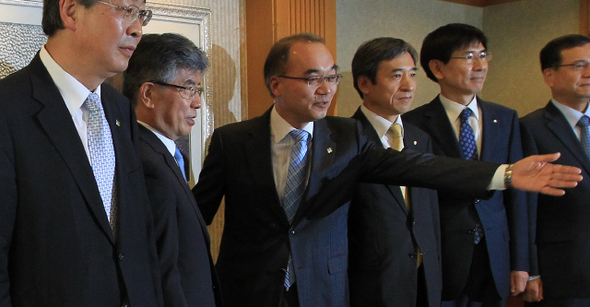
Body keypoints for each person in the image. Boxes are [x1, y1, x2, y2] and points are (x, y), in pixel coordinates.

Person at [192, 32, 581, 307]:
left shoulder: (346, 136)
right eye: (313, 79)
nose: (326, 89)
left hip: (324, 289)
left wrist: (505, 175)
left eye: (331, 77)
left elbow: (419, 168)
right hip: (247, 289)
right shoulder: (232, 140)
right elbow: (195, 217)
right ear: (276, 84)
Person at [0, 0, 162, 306]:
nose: (137, 28)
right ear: (71, 11)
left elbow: (139, 235)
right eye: (126, 10)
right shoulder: (9, 110)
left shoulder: (119, 109)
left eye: (141, 14)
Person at [403, 23, 529, 307]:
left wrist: (520, 262)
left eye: (483, 55)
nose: (480, 65)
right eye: (469, 57)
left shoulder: (505, 118)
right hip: (443, 255)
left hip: (495, 254)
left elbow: (518, 195)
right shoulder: (414, 124)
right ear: (437, 68)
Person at [123, 32, 222, 307]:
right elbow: (162, 269)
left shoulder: (167, 155)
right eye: (188, 89)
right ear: (148, 94)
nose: (198, 102)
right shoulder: (145, 163)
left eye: (198, 90)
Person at [348, 37, 441, 307]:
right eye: (397, 76)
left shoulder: (420, 138)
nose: (409, 86)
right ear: (365, 83)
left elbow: (429, 216)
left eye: (412, 75)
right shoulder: (345, 141)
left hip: (424, 280)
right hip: (372, 285)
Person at [520, 34, 590, 307]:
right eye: (579, 65)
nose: (588, 73)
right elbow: (524, 207)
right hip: (562, 271)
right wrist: (531, 269)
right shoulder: (529, 128)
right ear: (550, 75)